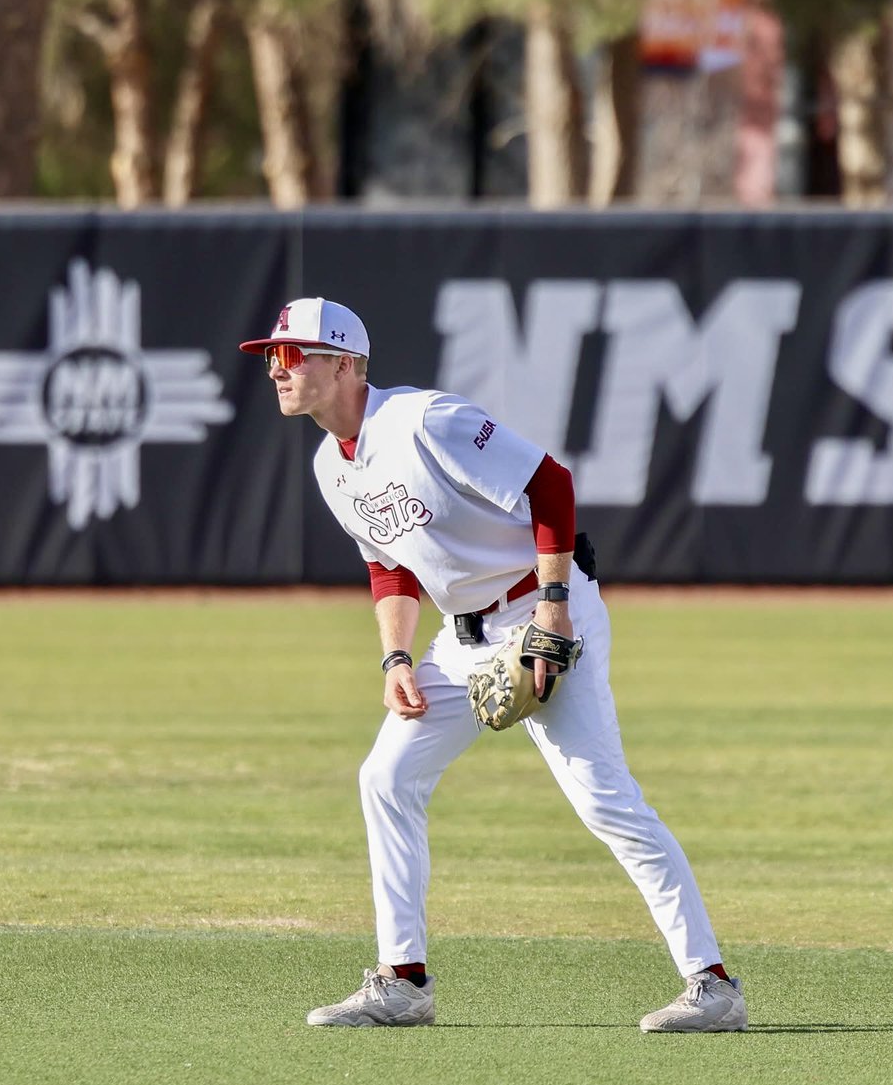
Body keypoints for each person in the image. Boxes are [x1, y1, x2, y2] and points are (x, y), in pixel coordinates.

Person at [239, 296, 747, 1034]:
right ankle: (402, 980)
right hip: (461, 637)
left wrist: (553, 607)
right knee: (386, 776)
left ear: (345, 362)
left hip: (542, 609)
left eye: (289, 355)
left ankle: (713, 984)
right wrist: (396, 655)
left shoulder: (424, 421)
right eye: (270, 359)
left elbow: (551, 485)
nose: (275, 370)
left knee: (603, 799)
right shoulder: (330, 465)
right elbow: (391, 568)